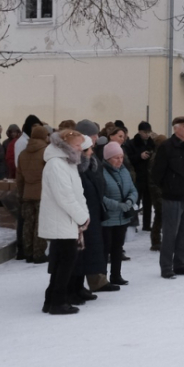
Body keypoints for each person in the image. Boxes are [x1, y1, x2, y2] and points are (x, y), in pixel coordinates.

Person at [38, 128, 90, 315]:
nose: (80, 149)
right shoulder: (56, 165)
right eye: (77, 145)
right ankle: (57, 302)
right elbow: (65, 197)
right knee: (64, 263)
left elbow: (78, 193)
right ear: (66, 145)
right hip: (61, 221)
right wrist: (82, 216)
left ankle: (52, 299)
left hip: (68, 221)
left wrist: (83, 214)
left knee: (63, 262)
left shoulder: (67, 163)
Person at [155, 117, 184, 278]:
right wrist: (168, 188)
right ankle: (166, 266)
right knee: (170, 233)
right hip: (172, 197)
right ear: (176, 128)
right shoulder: (166, 147)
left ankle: (181, 263)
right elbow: (157, 173)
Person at [73, 121, 111, 292]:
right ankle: (81, 284)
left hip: (94, 206)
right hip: (84, 208)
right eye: (94, 135)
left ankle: (97, 279)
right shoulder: (78, 158)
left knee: (95, 245)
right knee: (85, 248)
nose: (96, 139)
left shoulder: (92, 156)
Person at [99, 142, 137, 286]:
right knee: (105, 249)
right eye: (116, 157)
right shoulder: (101, 172)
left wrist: (129, 201)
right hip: (108, 218)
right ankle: (102, 278)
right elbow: (100, 196)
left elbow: (133, 190)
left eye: (121, 157)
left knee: (117, 248)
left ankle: (116, 275)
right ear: (107, 158)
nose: (120, 160)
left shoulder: (124, 171)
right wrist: (118, 205)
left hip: (122, 217)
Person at [15, 124, 51, 263]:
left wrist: (21, 193)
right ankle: (38, 253)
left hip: (27, 193)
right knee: (40, 224)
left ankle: (28, 252)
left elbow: (19, 177)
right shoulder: (46, 152)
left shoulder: (23, 153)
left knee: (28, 224)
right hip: (43, 194)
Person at [125, 122, 159, 233]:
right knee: (135, 201)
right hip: (137, 177)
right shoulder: (131, 144)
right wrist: (140, 156)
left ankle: (146, 224)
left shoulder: (151, 143)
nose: (147, 134)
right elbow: (129, 159)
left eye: (149, 132)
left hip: (149, 177)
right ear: (139, 132)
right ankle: (133, 224)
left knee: (148, 202)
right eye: (145, 132)